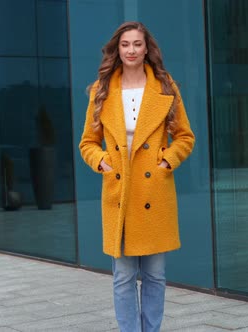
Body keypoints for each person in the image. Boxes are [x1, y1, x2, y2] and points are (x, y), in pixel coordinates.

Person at [79, 21, 195, 332]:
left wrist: (166, 162)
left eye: (137, 44)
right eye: (126, 44)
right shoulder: (102, 90)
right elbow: (87, 143)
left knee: (155, 275)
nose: (131, 50)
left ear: (147, 49)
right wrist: (102, 160)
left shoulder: (165, 86)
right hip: (120, 191)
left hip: (153, 192)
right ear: (117, 50)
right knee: (124, 276)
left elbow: (185, 137)